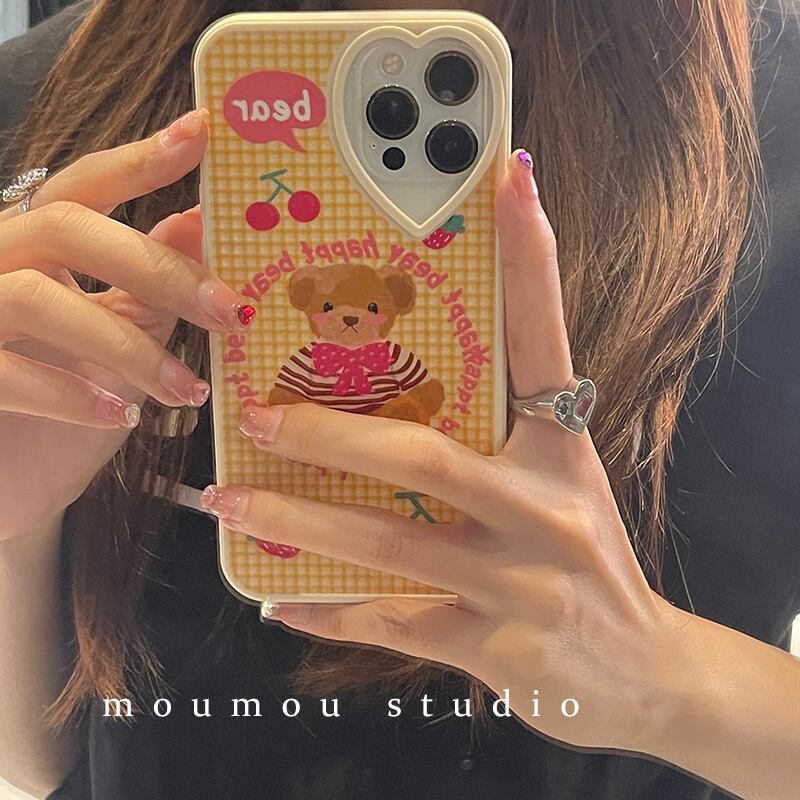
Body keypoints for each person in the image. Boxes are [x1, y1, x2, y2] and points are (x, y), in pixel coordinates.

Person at [0, 1, 798, 798]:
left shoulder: (778, 124)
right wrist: (15, 530)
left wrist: (666, 681)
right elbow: (50, 760)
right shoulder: (49, 95)